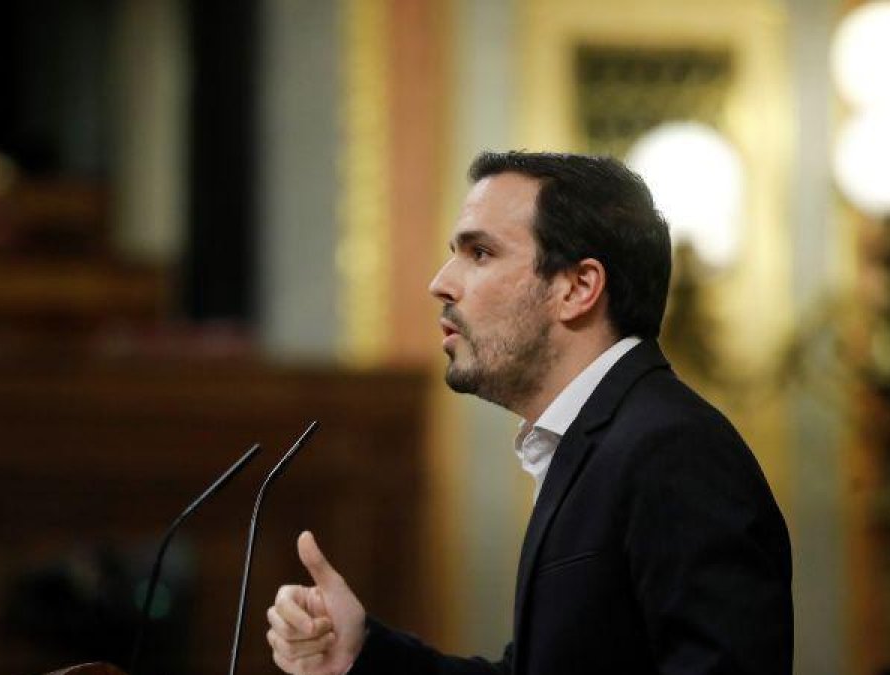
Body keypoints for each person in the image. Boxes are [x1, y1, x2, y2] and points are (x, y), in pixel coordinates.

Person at [265, 151, 793, 675]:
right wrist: (362, 656)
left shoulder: (674, 450)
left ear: (577, 288)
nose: (442, 283)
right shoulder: (593, 446)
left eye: (480, 253)